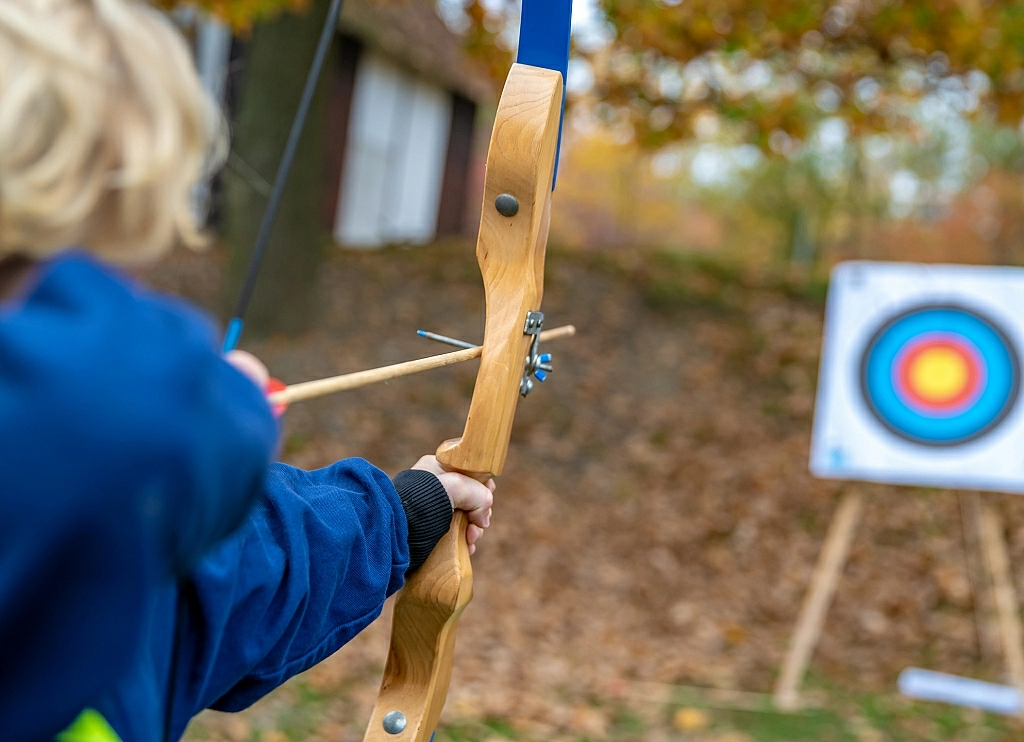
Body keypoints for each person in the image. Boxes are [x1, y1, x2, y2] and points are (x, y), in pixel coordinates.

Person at [0, 1, 494, 740]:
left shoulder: (111, 525)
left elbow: (232, 574)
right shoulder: (125, 430)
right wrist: (209, 411)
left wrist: (405, 513)